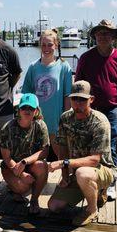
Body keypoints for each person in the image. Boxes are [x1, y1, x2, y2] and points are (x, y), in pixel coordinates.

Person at [75, 19, 117, 201]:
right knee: (86, 143)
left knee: (111, 146)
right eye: (99, 33)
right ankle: (88, 179)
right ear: (95, 36)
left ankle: (111, 181)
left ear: (114, 37)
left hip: (111, 109)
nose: (103, 37)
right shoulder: (85, 58)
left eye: (107, 33)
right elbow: (78, 84)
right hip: (89, 109)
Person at [48, 81, 116, 226]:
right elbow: (63, 148)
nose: (78, 103)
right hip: (77, 170)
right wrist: (65, 175)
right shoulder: (65, 118)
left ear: (91, 99)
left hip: (102, 169)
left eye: (82, 100)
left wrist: (64, 163)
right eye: (75, 99)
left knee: (83, 174)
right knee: (54, 206)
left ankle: (92, 209)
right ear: (70, 99)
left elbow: (95, 160)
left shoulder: (100, 122)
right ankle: (93, 193)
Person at [22, 29, 72, 159]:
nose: (46, 48)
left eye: (50, 44)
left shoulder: (64, 66)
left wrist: (66, 119)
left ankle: (66, 179)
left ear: (56, 45)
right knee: (36, 155)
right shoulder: (33, 67)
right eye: (43, 45)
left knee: (61, 154)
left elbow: (67, 95)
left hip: (56, 120)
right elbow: (26, 95)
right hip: (37, 119)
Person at [0, 93, 49, 215]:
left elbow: (45, 151)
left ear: (36, 110)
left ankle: (34, 200)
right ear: (19, 109)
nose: (27, 111)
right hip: (11, 166)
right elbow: (6, 157)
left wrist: (25, 162)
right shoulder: (8, 127)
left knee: (42, 165)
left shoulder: (40, 125)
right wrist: (21, 174)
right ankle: (15, 189)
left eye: (31, 108)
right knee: (22, 188)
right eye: (24, 108)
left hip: (28, 164)